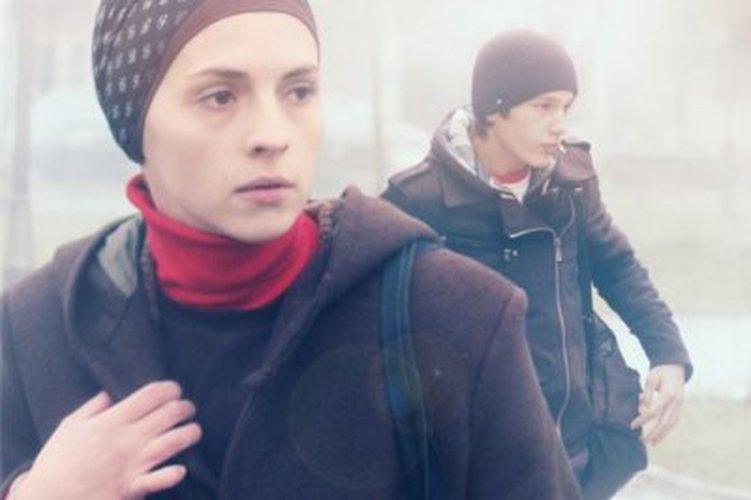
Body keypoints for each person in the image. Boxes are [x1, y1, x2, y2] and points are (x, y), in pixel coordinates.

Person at [0, 3, 581, 499]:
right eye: (220, 97)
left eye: (299, 92)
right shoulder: (34, 331)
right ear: (134, 122)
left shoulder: (460, 315)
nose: (272, 135)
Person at [383, 30, 693, 498]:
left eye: (566, 107)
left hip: (576, 441)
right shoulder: (416, 200)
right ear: (495, 108)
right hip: (476, 461)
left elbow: (617, 265)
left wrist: (667, 353)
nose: (559, 125)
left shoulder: (572, 182)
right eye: (544, 106)